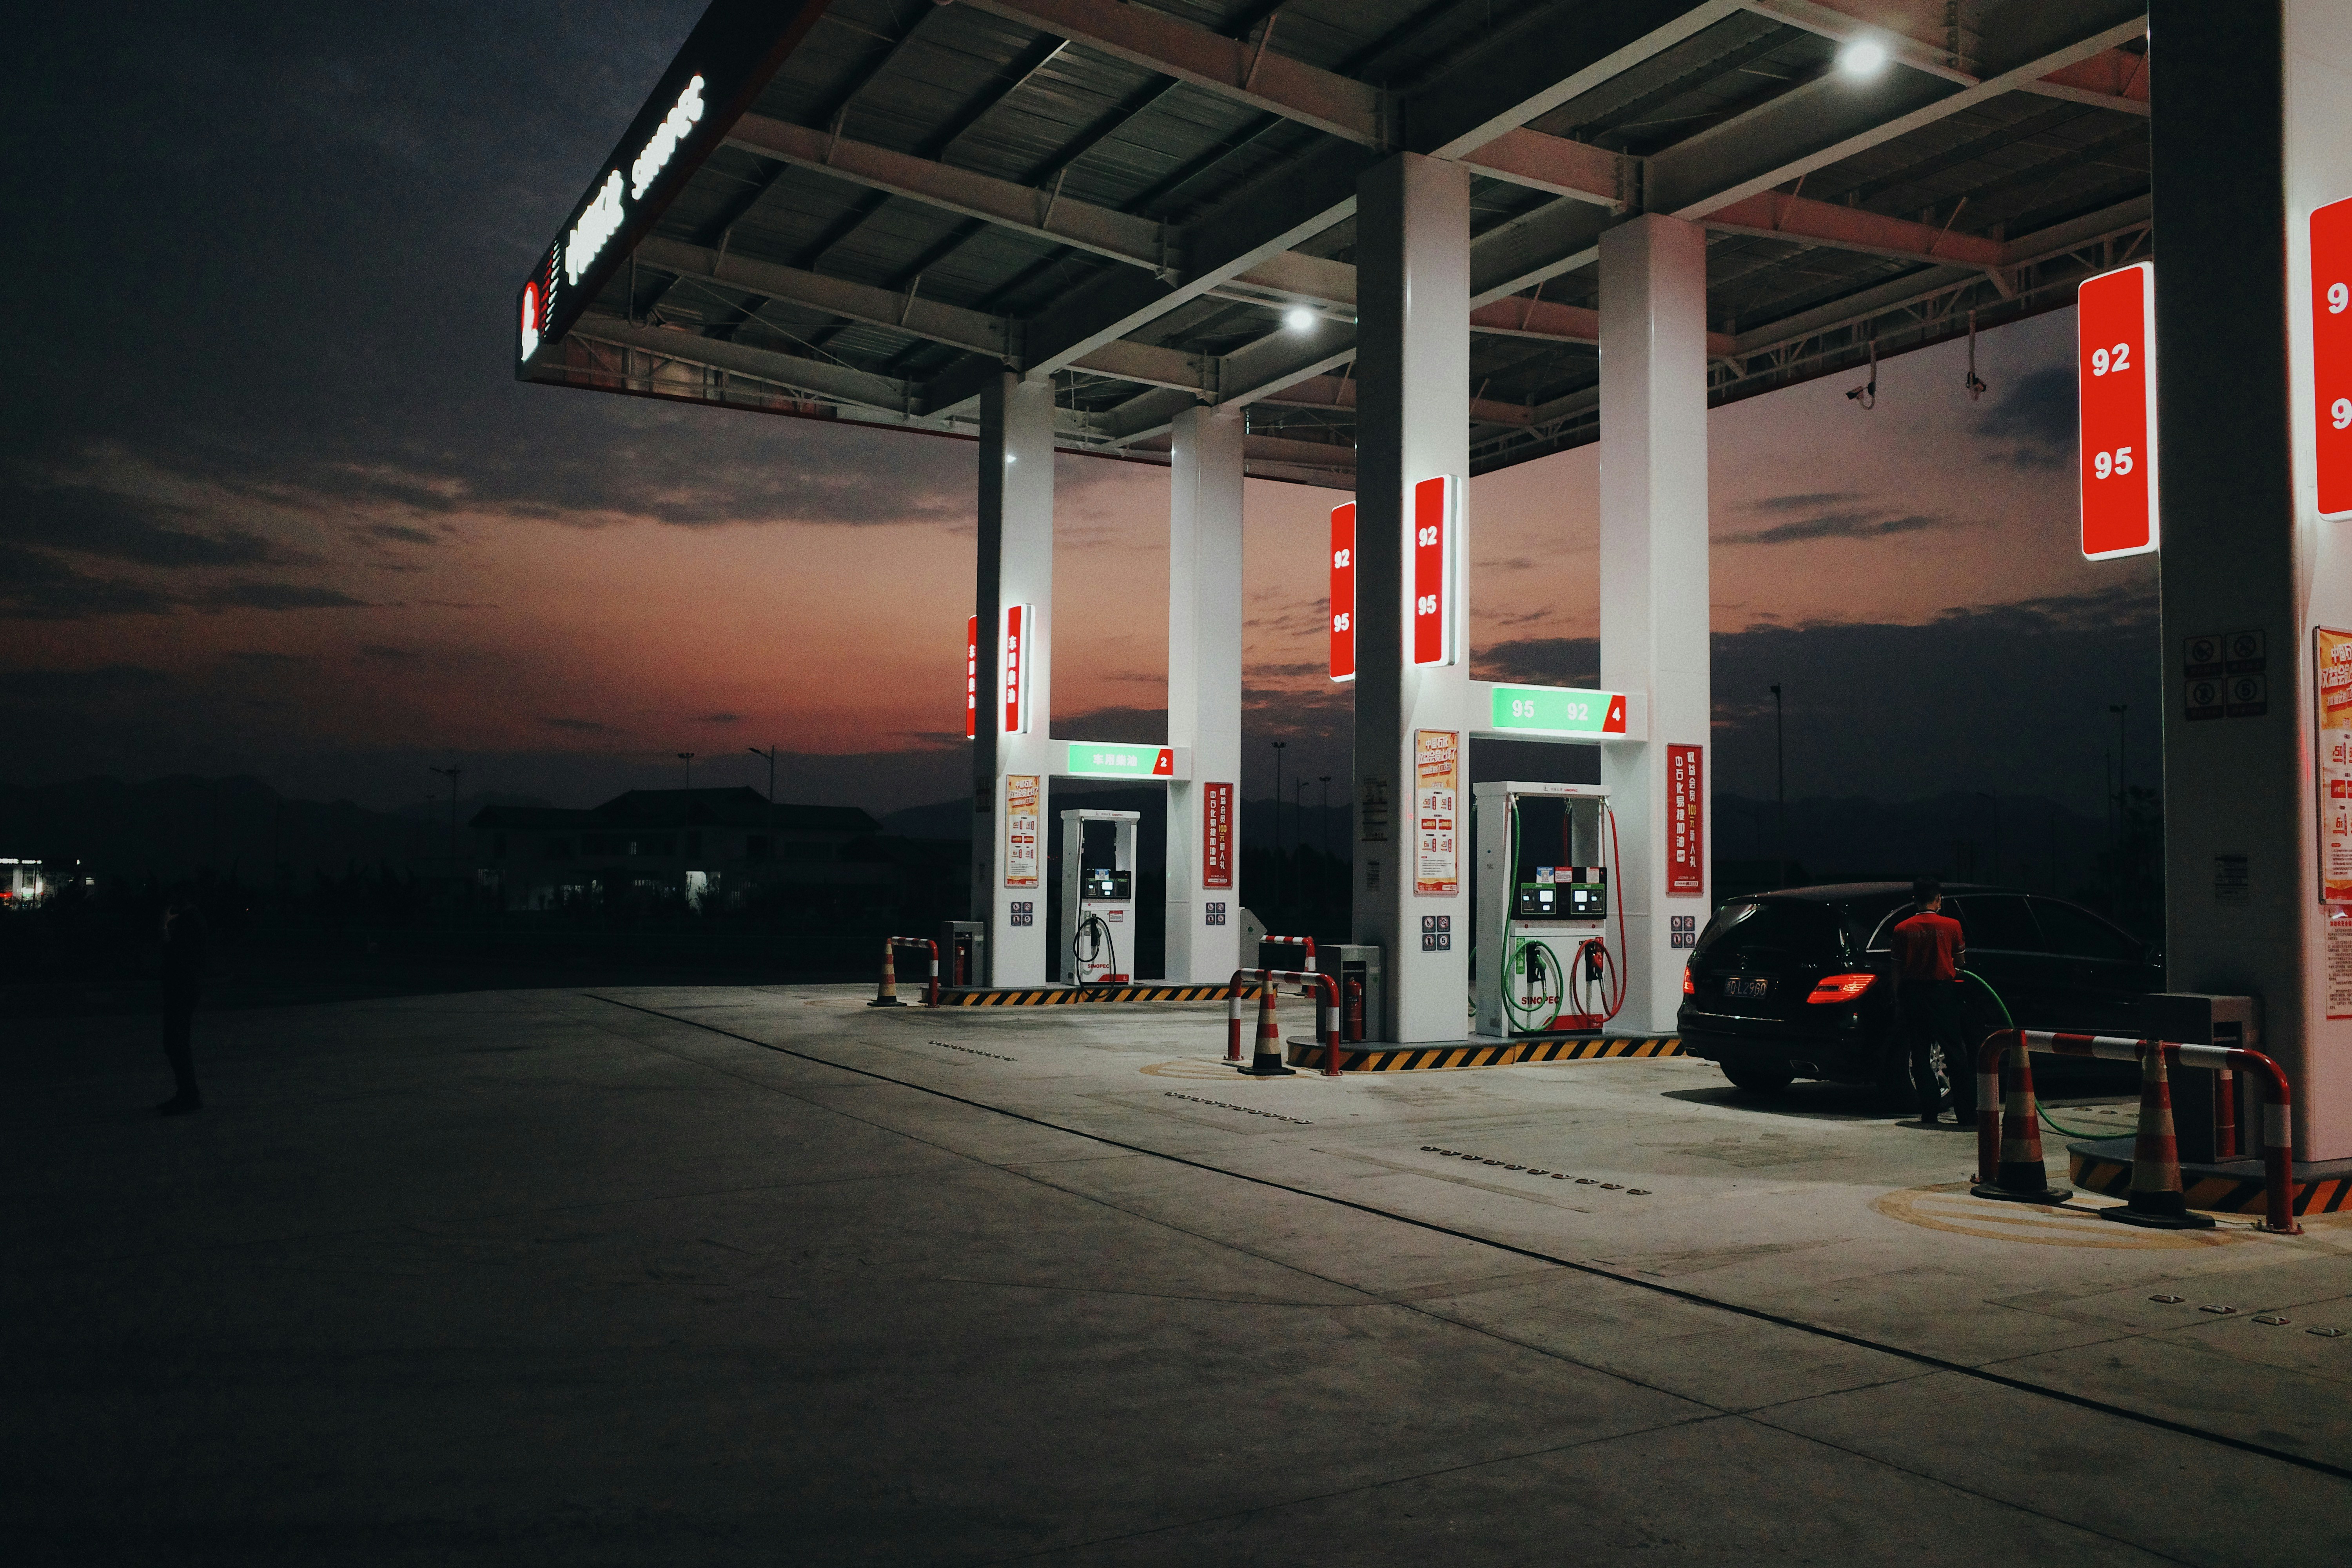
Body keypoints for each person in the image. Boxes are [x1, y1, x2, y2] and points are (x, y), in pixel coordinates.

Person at [1889, 877, 1973, 1127]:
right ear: (1938, 900)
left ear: (1915, 900)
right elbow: (1960, 964)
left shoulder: (1902, 929)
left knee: (1920, 1054)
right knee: (1956, 1053)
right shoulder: (1952, 926)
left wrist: (1897, 999)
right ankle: (1966, 1114)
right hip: (1943, 994)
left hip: (1914, 995)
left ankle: (1929, 1113)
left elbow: (1897, 970)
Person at [157, 897, 207, 1115]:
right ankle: (187, 1094)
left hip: (183, 988)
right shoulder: (193, 919)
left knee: (175, 1042)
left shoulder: (190, 920)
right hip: (185, 987)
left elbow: (176, 953)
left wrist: (164, 927)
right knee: (178, 1043)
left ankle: (189, 1096)